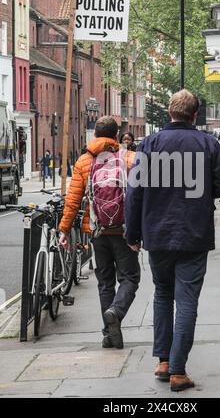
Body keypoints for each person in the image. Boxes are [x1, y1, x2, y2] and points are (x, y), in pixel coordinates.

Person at [125, 90, 220, 392]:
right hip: (194, 233)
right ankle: (178, 370)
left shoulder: (149, 144)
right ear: (194, 115)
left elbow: (134, 193)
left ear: (170, 112)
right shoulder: (208, 144)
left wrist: (132, 233)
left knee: (162, 294)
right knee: (186, 301)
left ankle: (162, 360)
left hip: (156, 233)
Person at [59, 117, 140, 349]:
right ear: (117, 136)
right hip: (123, 231)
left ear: (94, 135)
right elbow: (141, 196)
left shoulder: (84, 161)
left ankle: (108, 333)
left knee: (105, 282)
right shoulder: (129, 158)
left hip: (97, 230)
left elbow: (73, 200)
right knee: (130, 278)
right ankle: (116, 311)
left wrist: (64, 229)